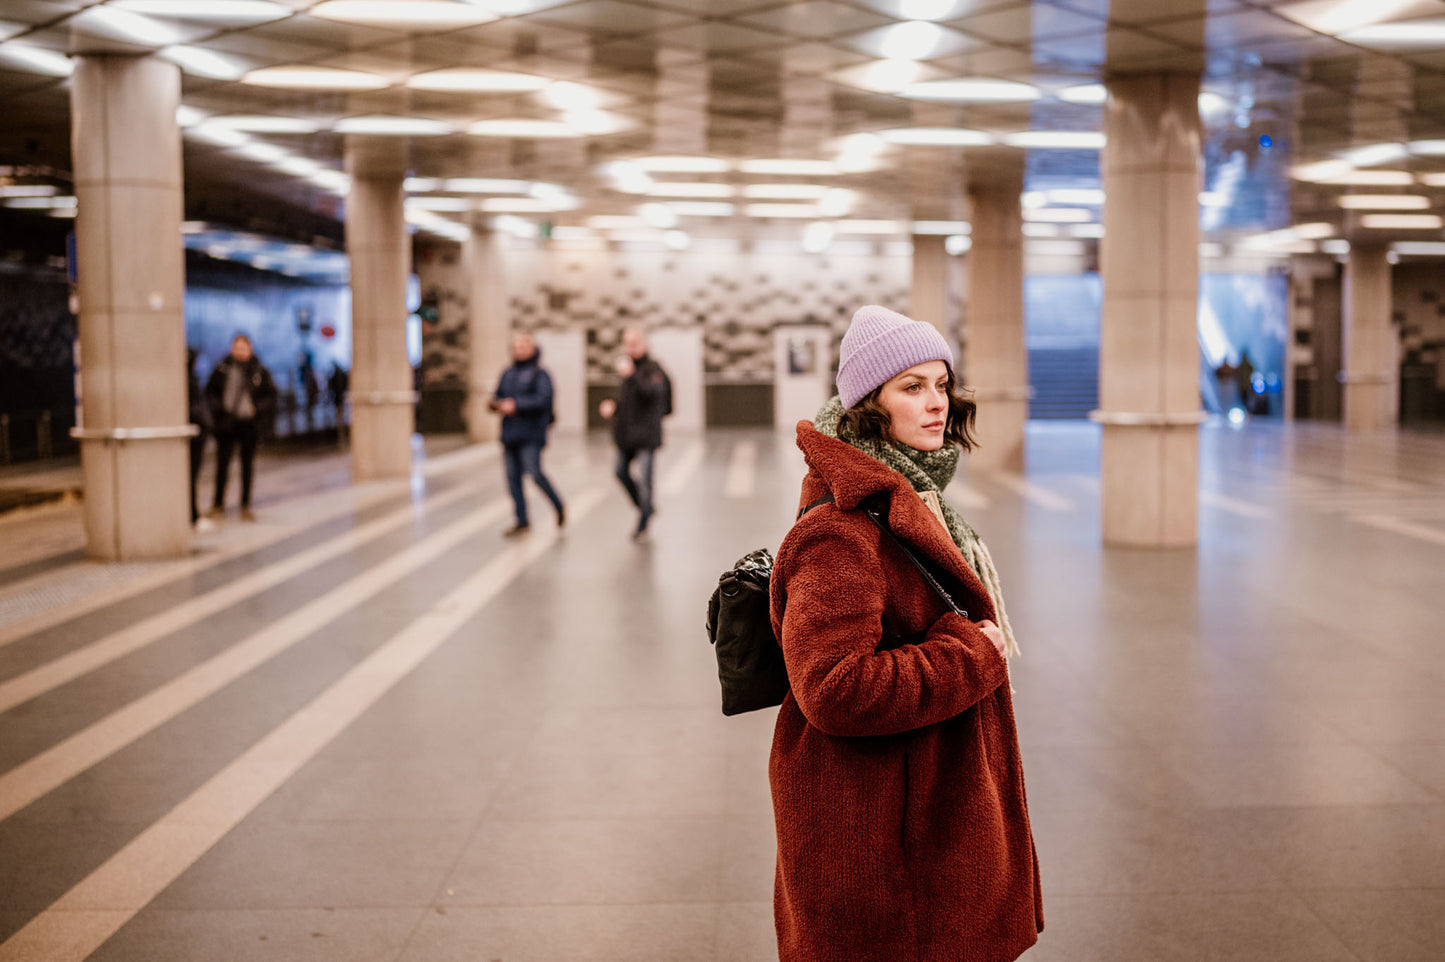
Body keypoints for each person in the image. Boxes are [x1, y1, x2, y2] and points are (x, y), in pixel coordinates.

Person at [767, 305, 1043, 962]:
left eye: (941, 384)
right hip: (884, 846)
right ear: (869, 404)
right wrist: (969, 653)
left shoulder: (911, 499)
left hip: (919, 819)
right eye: (910, 387)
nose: (935, 403)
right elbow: (832, 688)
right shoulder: (839, 530)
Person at [490, 332, 565, 537]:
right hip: (510, 434)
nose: (519, 350)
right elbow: (498, 395)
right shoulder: (508, 373)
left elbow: (543, 400)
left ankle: (558, 505)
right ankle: (521, 520)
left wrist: (517, 405)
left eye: (523, 346)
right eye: (516, 347)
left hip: (531, 433)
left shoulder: (540, 374)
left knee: (535, 473)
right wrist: (496, 404)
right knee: (513, 479)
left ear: (532, 348)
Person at [598, 327, 671, 539]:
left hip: (646, 435)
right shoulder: (626, 370)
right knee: (620, 471)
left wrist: (633, 375)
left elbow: (653, 394)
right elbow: (627, 400)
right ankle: (645, 506)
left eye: (635, 343)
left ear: (644, 344)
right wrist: (613, 406)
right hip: (626, 434)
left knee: (646, 478)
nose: (631, 347)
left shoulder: (653, 369)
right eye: (627, 343)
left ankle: (643, 521)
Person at [205, 334, 276, 522]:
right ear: (232, 348)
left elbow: (271, 396)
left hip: (248, 424)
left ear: (250, 349)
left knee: (247, 465)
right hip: (227, 424)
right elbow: (210, 392)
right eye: (237, 347)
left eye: (244, 348)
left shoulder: (258, 371)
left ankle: (245, 505)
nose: (240, 351)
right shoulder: (222, 368)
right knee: (222, 465)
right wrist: (218, 412)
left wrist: (257, 409)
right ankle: (218, 504)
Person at [186, 348, 213, 531]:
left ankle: (193, 514)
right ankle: (192, 516)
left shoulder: (189, 379)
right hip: (194, 434)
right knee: (190, 476)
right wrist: (205, 423)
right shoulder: (187, 381)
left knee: (192, 477)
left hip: (197, 433)